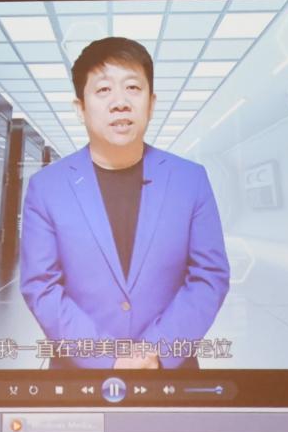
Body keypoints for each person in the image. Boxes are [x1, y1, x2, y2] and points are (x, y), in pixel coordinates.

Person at [19, 36, 230, 369]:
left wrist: (154, 352)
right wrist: (108, 356)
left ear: (151, 103)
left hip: (169, 376)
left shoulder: (191, 179)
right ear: (80, 108)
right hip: (77, 378)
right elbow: (41, 286)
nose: (120, 102)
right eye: (103, 90)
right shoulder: (47, 187)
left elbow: (209, 276)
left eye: (133, 87)